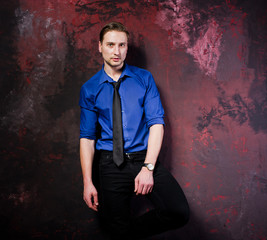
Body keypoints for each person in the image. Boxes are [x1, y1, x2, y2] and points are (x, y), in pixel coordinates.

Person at [79, 22, 190, 239]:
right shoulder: (89, 88)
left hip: (143, 158)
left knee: (178, 212)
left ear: (127, 47)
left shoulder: (144, 79)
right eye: (111, 44)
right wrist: (87, 183)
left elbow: (156, 124)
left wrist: (148, 168)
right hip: (110, 164)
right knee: (115, 228)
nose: (117, 51)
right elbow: (87, 138)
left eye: (122, 45)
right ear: (99, 46)